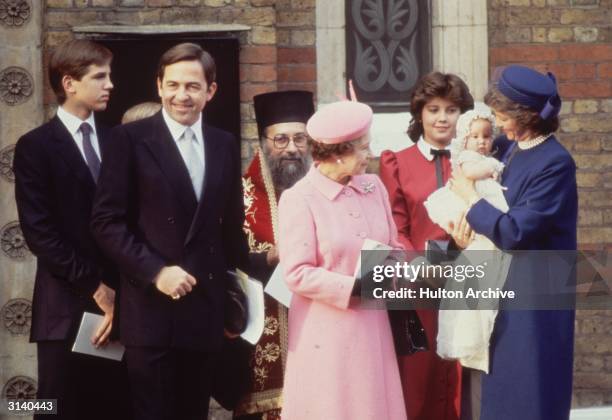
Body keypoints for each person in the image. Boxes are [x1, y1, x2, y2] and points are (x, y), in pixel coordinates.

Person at [90, 42, 249, 420]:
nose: (182, 95)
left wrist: (237, 302)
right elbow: (106, 222)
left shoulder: (223, 144)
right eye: (173, 85)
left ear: (211, 91)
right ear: (159, 86)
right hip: (151, 314)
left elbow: (230, 233)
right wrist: (156, 271)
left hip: (206, 315)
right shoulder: (129, 140)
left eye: (193, 86)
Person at [449, 65, 577, 420]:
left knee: (526, 398)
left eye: (503, 115)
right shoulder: (507, 149)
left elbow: (514, 231)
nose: (498, 122)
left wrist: (469, 198)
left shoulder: (555, 164)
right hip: (499, 294)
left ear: (528, 116)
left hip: (534, 304)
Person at [13, 39, 131, 420]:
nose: (110, 84)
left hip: (122, 307)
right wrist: (98, 289)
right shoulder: (35, 147)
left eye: (109, 75)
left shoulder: (120, 140)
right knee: (54, 408)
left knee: (116, 408)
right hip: (64, 306)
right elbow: (39, 234)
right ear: (69, 83)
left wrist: (121, 297)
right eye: (100, 77)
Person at [278, 101, 407, 420]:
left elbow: (394, 244)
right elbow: (296, 273)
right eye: (363, 148)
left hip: (373, 328)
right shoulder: (299, 198)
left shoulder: (373, 187)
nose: (371, 154)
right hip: (327, 333)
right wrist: (354, 287)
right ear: (338, 152)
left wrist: (394, 268)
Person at [379, 72, 474, 420]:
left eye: (451, 110)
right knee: (418, 380)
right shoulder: (397, 162)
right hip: (417, 286)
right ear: (420, 114)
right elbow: (394, 227)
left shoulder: (472, 164)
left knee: (463, 379)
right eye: (434, 109)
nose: (442, 118)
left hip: (467, 283)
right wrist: (418, 264)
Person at [232, 90, 314, 419]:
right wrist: (268, 258)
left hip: (316, 324)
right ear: (263, 142)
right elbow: (226, 258)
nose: (291, 148)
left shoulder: (324, 190)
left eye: (300, 138)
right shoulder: (238, 194)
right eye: (281, 139)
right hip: (261, 327)